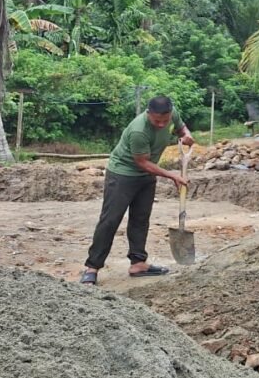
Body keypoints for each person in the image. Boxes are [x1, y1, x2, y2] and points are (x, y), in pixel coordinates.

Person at [80, 96, 194, 285]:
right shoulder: (139, 131)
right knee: (110, 220)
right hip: (122, 175)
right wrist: (173, 176)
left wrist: (186, 134)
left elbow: (181, 128)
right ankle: (92, 267)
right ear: (148, 114)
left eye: (165, 121)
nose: (161, 124)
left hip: (146, 177)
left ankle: (138, 263)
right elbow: (142, 163)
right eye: (157, 121)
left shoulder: (171, 114)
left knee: (140, 219)